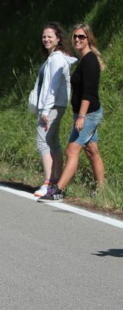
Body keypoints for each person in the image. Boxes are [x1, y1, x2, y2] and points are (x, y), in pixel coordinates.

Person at [39, 23, 105, 203]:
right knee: (91, 150)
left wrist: (82, 116)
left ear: (88, 39)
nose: (77, 39)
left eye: (81, 37)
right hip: (84, 113)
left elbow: (89, 93)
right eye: (75, 36)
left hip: (89, 114)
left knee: (72, 150)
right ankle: (102, 189)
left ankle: (57, 189)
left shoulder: (90, 61)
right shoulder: (84, 60)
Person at [31, 22, 77, 197]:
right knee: (53, 142)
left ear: (58, 38)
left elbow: (54, 86)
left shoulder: (57, 58)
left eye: (50, 36)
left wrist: (45, 110)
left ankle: (49, 182)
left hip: (52, 106)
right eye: (44, 36)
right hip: (55, 105)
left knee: (43, 142)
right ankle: (55, 180)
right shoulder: (54, 57)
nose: (46, 39)